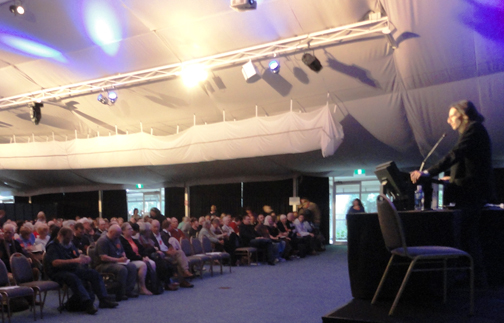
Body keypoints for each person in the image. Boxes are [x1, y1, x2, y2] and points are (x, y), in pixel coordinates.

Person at [410, 100, 493, 287]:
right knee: (466, 236)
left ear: (463, 116)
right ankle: (472, 278)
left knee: (468, 237)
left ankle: (477, 280)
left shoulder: (474, 129)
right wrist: (451, 179)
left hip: (471, 195)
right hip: (469, 192)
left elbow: (455, 155)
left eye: (451, 116)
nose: (448, 121)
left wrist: (428, 172)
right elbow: (468, 163)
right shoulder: (473, 130)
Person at [45, 227, 118, 315]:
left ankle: (103, 299)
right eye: (67, 239)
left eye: (71, 239)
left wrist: (84, 258)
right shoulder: (52, 246)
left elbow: (76, 255)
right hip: (58, 272)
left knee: (93, 273)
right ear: (60, 236)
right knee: (73, 278)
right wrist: (74, 261)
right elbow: (55, 263)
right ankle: (87, 303)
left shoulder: (69, 244)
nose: (69, 241)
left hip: (71, 269)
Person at [95, 224, 138, 300]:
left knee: (132, 266)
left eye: (118, 235)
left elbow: (122, 251)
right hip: (103, 264)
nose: (117, 237)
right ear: (111, 232)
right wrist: (118, 260)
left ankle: (128, 290)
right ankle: (120, 293)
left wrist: (123, 256)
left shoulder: (117, 239)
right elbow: (103, 257)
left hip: (116, 262)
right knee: (122, 269)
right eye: (116, 235)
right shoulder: (103, 241)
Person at [120, 223, 153, 296]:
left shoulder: (134, 240)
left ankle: (151, 285)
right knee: (143, 265)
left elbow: (142, 249)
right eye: (129, 229)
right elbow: (129, 254)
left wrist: (145, 256)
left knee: (152, 263)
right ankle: (142, 287)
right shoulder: (122, 241)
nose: (131, 230)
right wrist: (141, 258)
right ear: (123, 231)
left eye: (131, 229)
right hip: (131, 260)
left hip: (139, 258)